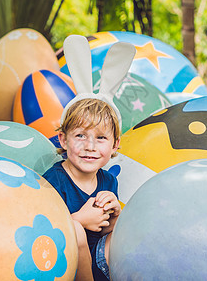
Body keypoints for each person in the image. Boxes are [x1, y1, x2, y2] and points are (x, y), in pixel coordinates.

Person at [42, 97, 122, 281]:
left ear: (114, 145)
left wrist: (115, 218)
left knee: (130, 225)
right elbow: (45, 233)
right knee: (76, 230)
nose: (90, 146)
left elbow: (103, 232)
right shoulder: (53, 181)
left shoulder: (109, 181)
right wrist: (79, 220)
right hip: (63, 266)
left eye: (101, 138)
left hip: (98, 261)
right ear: (63, 139)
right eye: (80, 136)